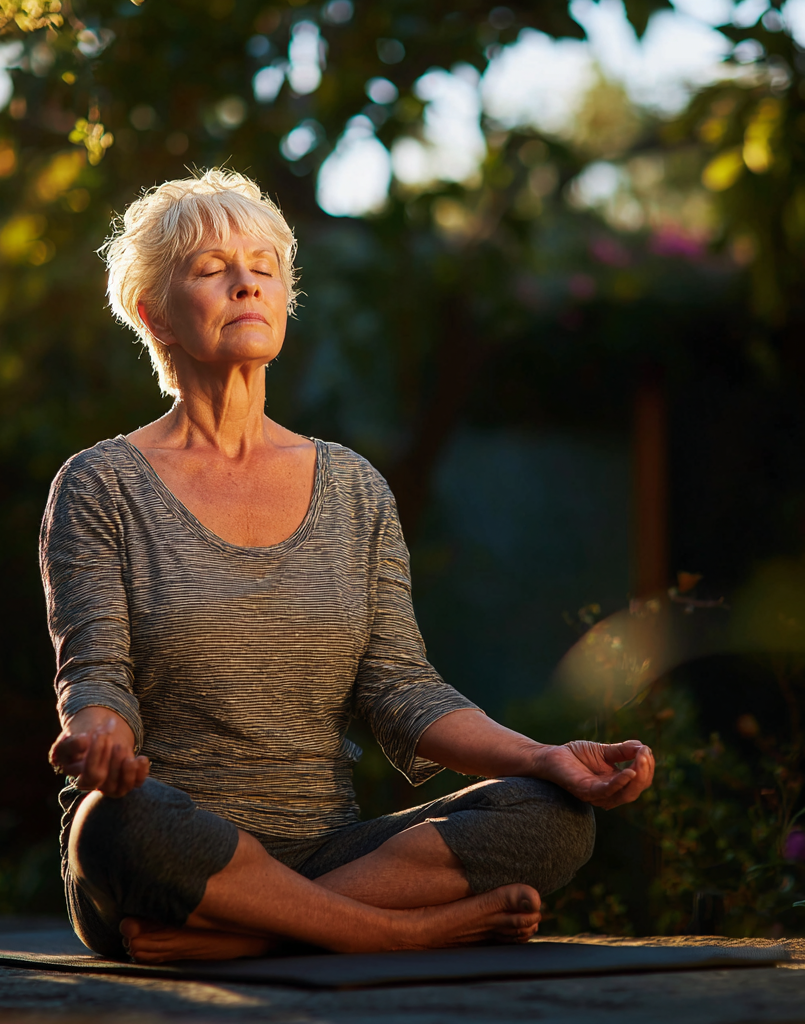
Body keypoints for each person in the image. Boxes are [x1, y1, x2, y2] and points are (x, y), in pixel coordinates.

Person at [42, 168, 655, 964]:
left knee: (554, 816)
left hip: (333, 851)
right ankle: (402, 931)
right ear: (153, 312)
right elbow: (96, 677)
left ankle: (243, 933)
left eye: (263, 267)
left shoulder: (354, 487)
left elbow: (402, 690)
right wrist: (99, 741)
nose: (245, 284)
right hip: (173, 845)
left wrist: (546, 757)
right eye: (210, 269)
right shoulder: (100, 484)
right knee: (113, 822)